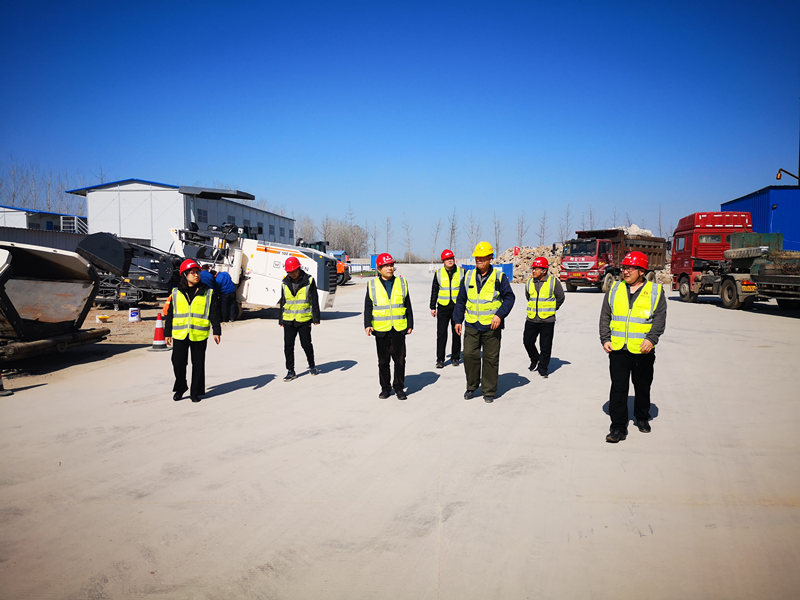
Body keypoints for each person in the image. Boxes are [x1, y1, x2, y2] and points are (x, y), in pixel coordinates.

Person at [599, 251, 667, 443]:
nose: (625, 271)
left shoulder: (655, 291)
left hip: (643, 349)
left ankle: (642, 416)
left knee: (643, 386)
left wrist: (651, 339)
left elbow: (659, 318)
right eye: (624, 268)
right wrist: (605, 338)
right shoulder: (614, 289)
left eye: (630, 268)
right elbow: (605, 316)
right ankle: (618, 427)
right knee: (618, 388)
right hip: (618, 348)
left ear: (641, 271)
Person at [453, 242, 515, 403]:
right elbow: (461, 300)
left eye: (482, 257)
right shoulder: (467, 277)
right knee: (468, 355)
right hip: (472, 324)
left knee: (490, 359)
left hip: (491, 326)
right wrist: (458, 320)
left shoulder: (499, 278)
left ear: (490, 258)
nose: (479, 260)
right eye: (477, 258)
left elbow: (509, 298)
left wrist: (500, 315)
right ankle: (472, 386)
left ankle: (489, 390)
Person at [165, 259, 222, 402]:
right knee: (178, 363)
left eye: (197, 272)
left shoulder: (207, 292)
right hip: (180, 334)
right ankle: (180, 387)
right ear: (185, 274)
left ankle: (195, 392)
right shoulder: (176, 292)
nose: (196, 275)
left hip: (198, 334)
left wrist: (217, 330)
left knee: (198, 364)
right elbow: (171, 313)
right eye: (192, 272)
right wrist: (167, 333)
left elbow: (214, 312)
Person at [364, 253, 413, 400]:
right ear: (379, 269)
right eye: (386, 266)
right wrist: (367, 324)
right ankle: (385, 388)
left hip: (399, 328)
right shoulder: (372, 285)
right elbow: (368, 306)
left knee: (400, 360)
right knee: (383, 361)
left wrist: (410, 323)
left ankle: (399, 387)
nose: (389, 268)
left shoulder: (402, 283)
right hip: (381, 329)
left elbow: (407, 304)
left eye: (391, 265)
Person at [278, 256, 320, 381]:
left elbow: (314, 300)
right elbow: (283, 301)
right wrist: (281, 319)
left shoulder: (309, 280)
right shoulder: (285, 282)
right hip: (289, 319)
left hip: (304, 319)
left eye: (294, 271)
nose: (292, 274)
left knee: (306, 344)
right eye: (289, 272)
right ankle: (290, 371)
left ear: (299, 269)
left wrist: (316, 318)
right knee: (288, 346)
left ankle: (312, 365)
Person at [523, 257, 565, 379]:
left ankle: (543, 368)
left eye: (536, 269)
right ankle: (535, 358)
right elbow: (528, 297)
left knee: (545, 346)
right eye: (533, 268)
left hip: (547, 320)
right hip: (531, 318)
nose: (534, 271)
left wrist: (552, 308)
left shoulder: (553, 282)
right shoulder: (529, 282)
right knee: (527, 341)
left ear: (544, 270)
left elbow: (561, 297)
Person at [430, 248, 464, 368]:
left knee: (456, 333)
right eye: (447, 259)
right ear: (443, 261)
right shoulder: (438, 273)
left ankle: (455, 357)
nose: (450, 260)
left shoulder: (462, 272)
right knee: (441, 334)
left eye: (451, 258)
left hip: (457, 307)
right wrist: (432, 306)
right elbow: (435, 290)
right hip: (443, 307)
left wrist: (465, 306)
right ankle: (440, 359)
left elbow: (466, 291)